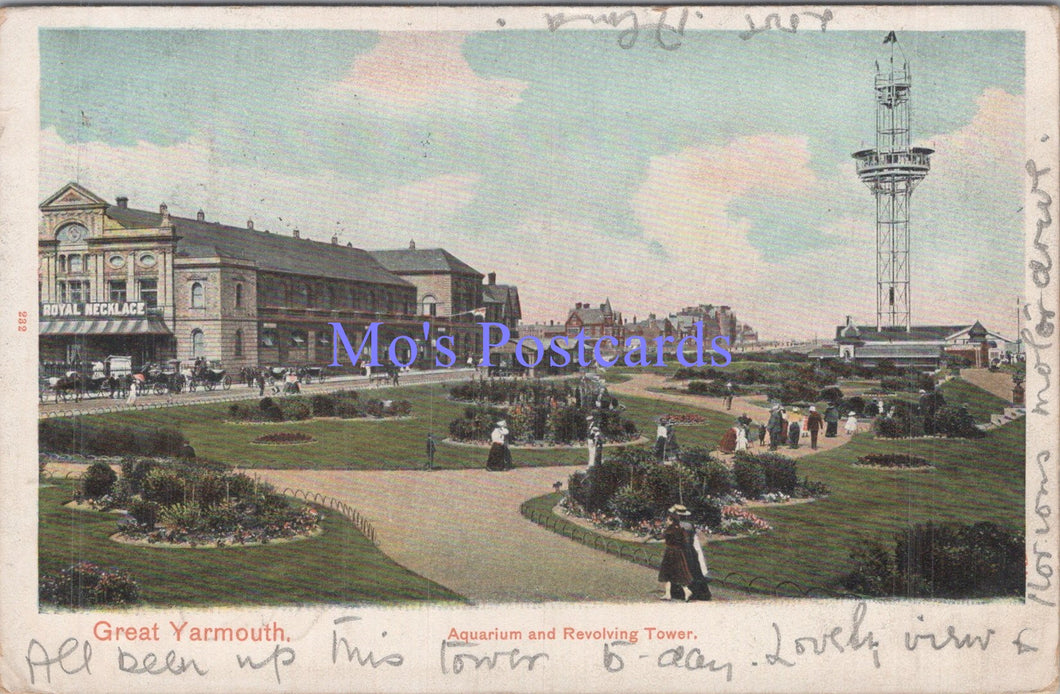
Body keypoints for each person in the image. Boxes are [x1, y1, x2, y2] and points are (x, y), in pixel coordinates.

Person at [677, 505, 712, 601]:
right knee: (695, 571)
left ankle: (684, 592)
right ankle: (701, 592)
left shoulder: (677, 525)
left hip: (682, 549)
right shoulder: (690, 525)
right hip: (691, 550)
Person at [658, 508, 693, 602]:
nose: (666, 521)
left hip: (670, 553)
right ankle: (683, 591)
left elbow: (659, 537)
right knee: (679, 573)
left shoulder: (669, 530)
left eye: (668, 520)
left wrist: (652, 535)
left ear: (672, 521)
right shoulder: (681, 530)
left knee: (667, 573)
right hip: (679, 553)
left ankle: (669, 594)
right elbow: (685, 542)